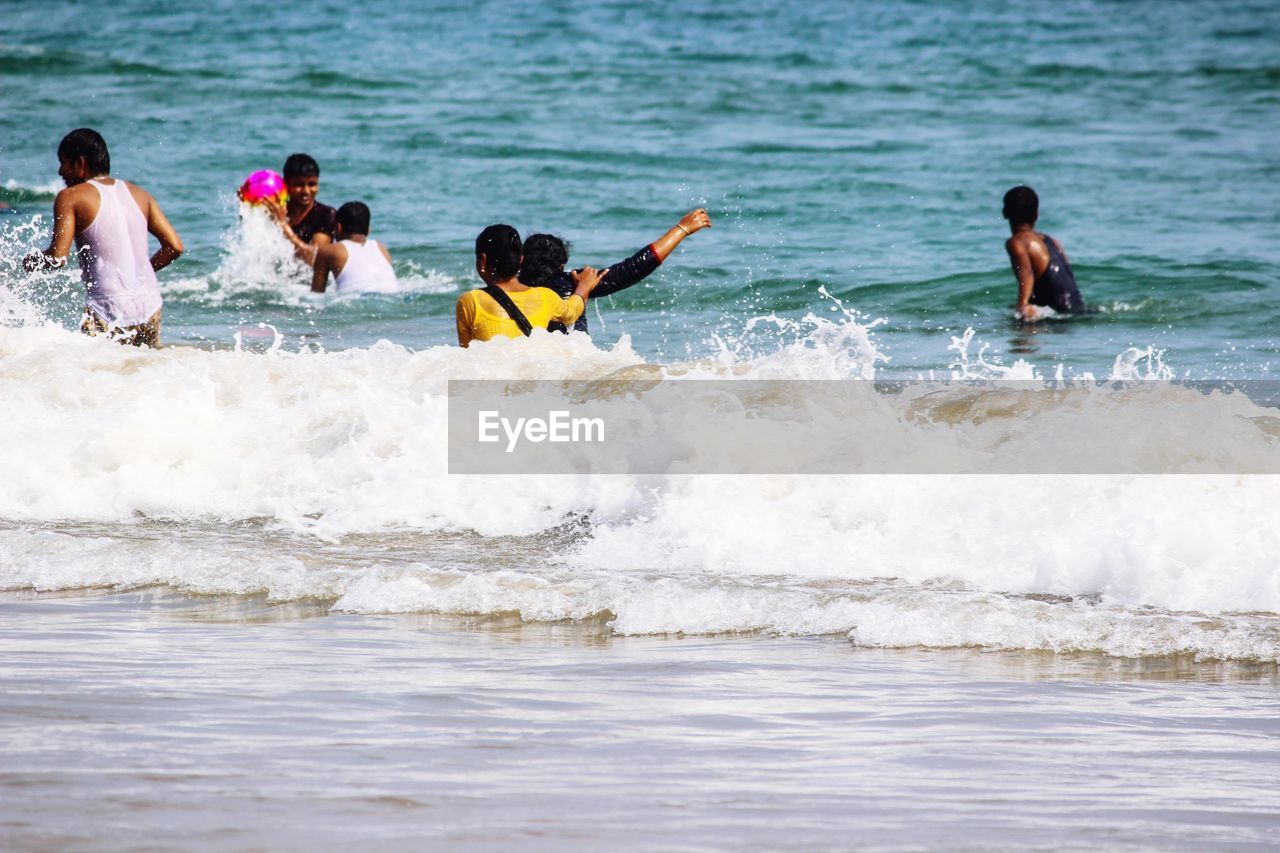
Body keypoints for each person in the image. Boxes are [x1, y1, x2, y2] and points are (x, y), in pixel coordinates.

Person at [23, 128, 183, 347]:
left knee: (96, 375)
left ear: (80, 163)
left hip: (106, 308)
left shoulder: (70, 197)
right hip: (149, 303)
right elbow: (175, 247)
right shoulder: (140, 194)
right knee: (145, 372)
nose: (60, 171)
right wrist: (141, 270)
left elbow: (58, 257)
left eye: (63, 162)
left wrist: (31, 260)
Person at [520, 208, 712, 333]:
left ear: (521, 261)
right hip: (575, 367)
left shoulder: (509, 287)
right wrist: (682, 229)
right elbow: (633, 268)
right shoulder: (577, 282)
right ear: (562, 265)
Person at [456, 224, 603, 347]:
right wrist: (584, 286)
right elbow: (573, 311)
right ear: (521, 259)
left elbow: (468, 356)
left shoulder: (470, 301)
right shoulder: (546, 297)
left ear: (482, 260)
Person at [1002, 186, 1084, 320]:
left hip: (1058, 318)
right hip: (1078, 310)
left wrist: (1022, 305)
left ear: (1005, 213)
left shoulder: (1017, 242)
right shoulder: (1052, 241)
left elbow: (1027, 273)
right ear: (1037, 214)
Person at [264, 152, 336, 266]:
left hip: (307, 282)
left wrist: (283, 226)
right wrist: (246, 205)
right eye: (299, 185)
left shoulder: (326, 215)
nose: (306, 191)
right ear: (286, 184)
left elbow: (315, 259)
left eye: (312, 184)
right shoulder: (275, 211)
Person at [311, 201, 398, 294]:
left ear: (338, 227)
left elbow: (316, 294)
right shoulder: (381, 248)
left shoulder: (329, 251)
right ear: (369, 229)